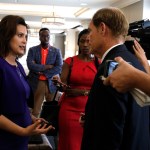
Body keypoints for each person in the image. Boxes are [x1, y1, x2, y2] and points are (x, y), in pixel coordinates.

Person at [81, 7, 150, 150]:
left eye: (90, 31)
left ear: (102, 28)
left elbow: (110, 133)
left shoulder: (110, 66)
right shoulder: (136, 61)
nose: (88, 38)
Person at [0, 15, 53, 150]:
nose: (24, 41)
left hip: (21, 139)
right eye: (20, 35)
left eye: (26, 36)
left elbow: (19, 104)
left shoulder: (18, 66)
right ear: (6, 36)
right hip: (5, 140)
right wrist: (23, 131)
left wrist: (33, 119)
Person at [54, 29, 100, 150]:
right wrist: (58, 83)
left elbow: (102, 89)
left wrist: (83, 92)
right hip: (69, 110)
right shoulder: (70, 61)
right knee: (69, 144)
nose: (85, 44)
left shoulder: (99, 63)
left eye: (89, 41)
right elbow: (63, 85)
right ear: (78, 43)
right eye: (82, 41)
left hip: (91, 111)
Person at [26, 27, 63, 118]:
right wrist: (47, 66)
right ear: (39, 37)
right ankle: (34, 130)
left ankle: (48, 128)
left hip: (52, 82)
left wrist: (44, 73)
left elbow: (59, 67)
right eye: (43, 36)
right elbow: (30, 65)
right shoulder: (32, 50)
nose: (45, 38)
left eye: (47, 36)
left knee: (50, 108)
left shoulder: (56, 51)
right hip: (37, 82)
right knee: (36, 109)